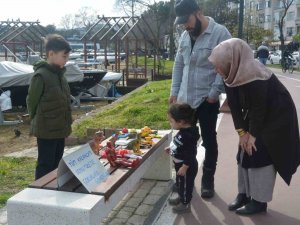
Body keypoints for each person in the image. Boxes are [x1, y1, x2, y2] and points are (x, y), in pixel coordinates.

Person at [208, 38, 300, 215]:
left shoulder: (256, 74)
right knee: (243, 148)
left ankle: (259, 201)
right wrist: (242, 133)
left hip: (278, 115)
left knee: (259, 151)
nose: (216, 70)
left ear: (231, 61)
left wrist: (253, 135)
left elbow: (260, 108)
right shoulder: (231, 73)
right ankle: (244, 194)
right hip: (259, 113)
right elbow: (234, 107)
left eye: (218, 65)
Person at [170, 0, 231, 198]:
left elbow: (224, 66)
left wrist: (213, 95)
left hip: (206, 100)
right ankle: (185, 179)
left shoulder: (220, 33)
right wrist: (174, 91)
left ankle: (207, 181)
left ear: (198, 12)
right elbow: (179, 65)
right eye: (182, 23)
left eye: (187, 20)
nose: (186, 26)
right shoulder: (185, 36)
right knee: (185, 142)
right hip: (185, 100)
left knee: (209, 141)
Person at [26, 34, 73, 180]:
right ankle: (39, 193)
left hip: (60, 127)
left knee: (57, 163)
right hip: (46, 129)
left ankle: (52, 189)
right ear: (51, 54)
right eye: (64, 56)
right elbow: (31, 102)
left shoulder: (60, 75)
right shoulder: (41, 75)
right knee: (45, 164)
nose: (67, 60)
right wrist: (36, 120)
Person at [165, 103, 200, 213]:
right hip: (180, 164)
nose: (170, 123)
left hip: (186, 166)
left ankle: (185, 204)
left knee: (185, 185)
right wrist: (171, 148)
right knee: (180, 183)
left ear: (181, 122)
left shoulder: (188, 135)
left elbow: (191, 153)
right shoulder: (183, 131)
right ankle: (181, 197)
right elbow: (179, 144)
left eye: (171, 121)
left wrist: (185, 167)